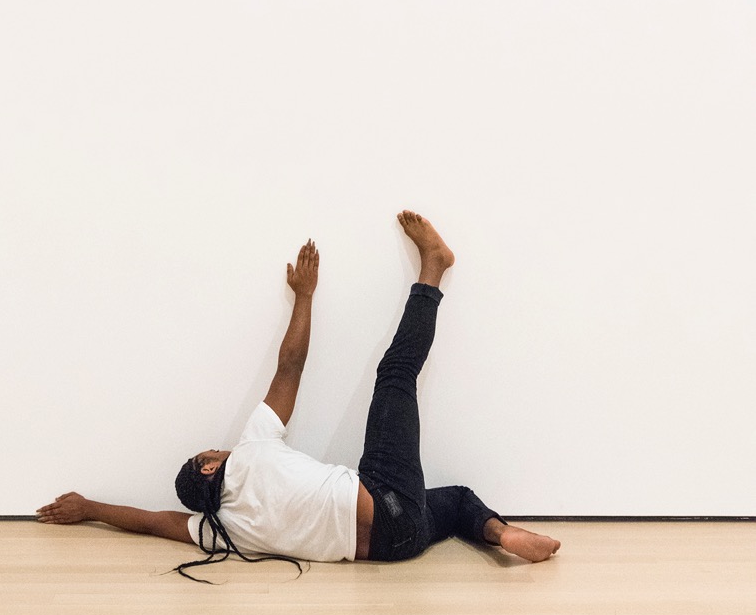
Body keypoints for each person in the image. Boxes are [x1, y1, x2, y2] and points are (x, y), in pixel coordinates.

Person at [37, 211, 561, 578]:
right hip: (387, 500)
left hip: (395, 548)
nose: (218, 447)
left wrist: (91, 509)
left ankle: (500, 534)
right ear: (209, 467)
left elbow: (153, 523)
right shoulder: (250, 452)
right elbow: (290, 366)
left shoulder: (224, 533)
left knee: (457, 500)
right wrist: (304, 296)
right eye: (209, 451)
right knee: (395, 374)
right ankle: (434, 267)